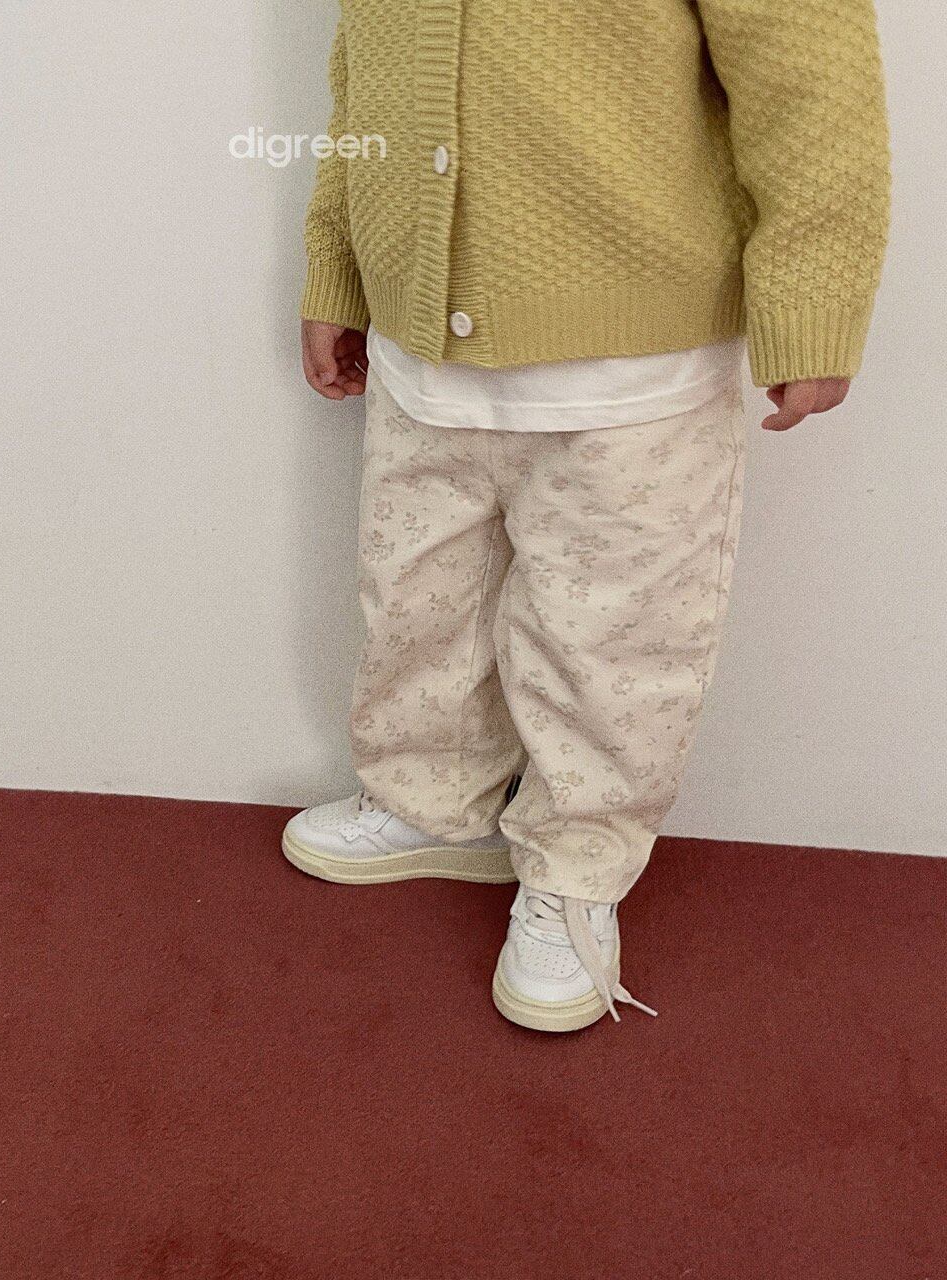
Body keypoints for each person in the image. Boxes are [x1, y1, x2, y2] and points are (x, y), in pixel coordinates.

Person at [282, 0, 891, 1031]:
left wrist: (811, 307)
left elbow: (812, 90)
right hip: (420, 352)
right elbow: (361, 86)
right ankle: (429, 799)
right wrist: (337, 268)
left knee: (611, 642)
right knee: (416, 599)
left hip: (634, 366)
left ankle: (576, 869)